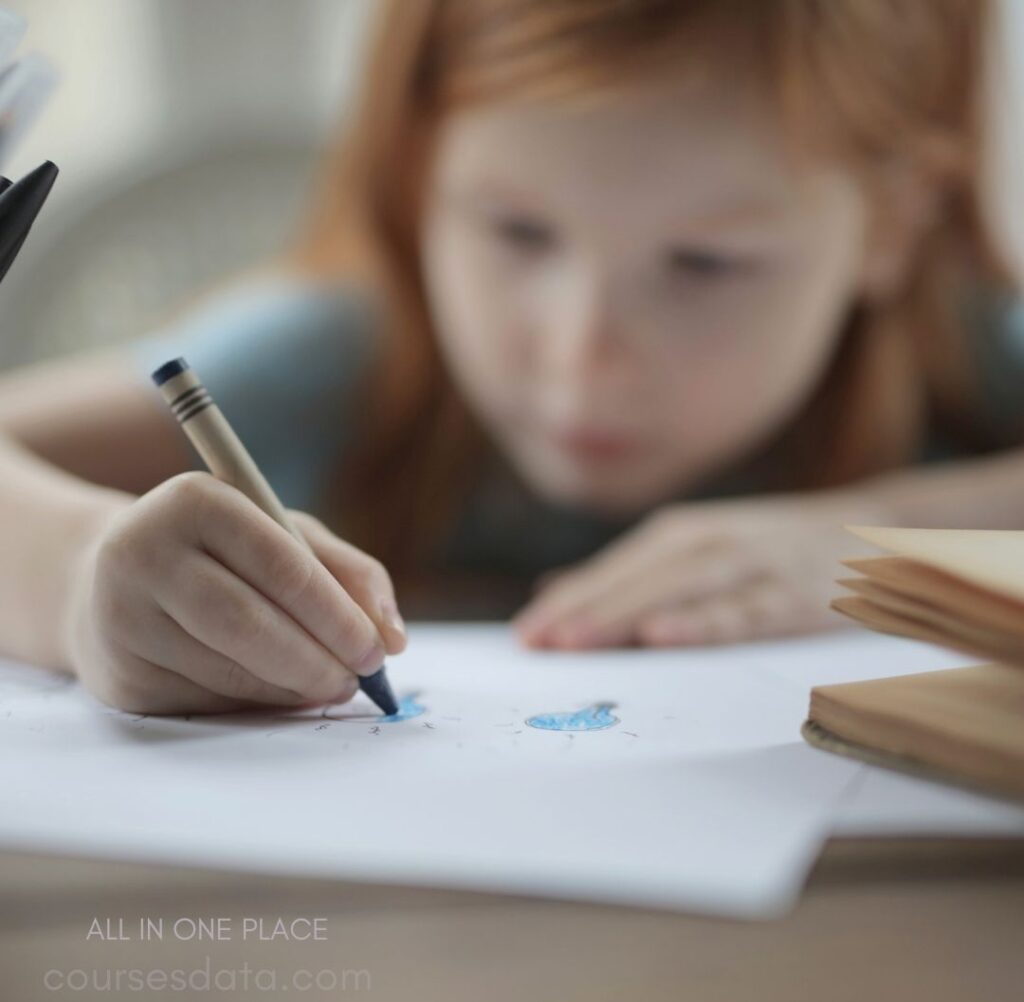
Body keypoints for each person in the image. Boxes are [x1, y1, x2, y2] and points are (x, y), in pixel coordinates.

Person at [1, 0, 1021, 714]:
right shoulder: (343, 357)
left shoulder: (957, 362)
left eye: (706, 264)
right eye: (516, 233)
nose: (580, 355)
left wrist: (882, 552)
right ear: (418, 176)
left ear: (893, 221)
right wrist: (84, 577)